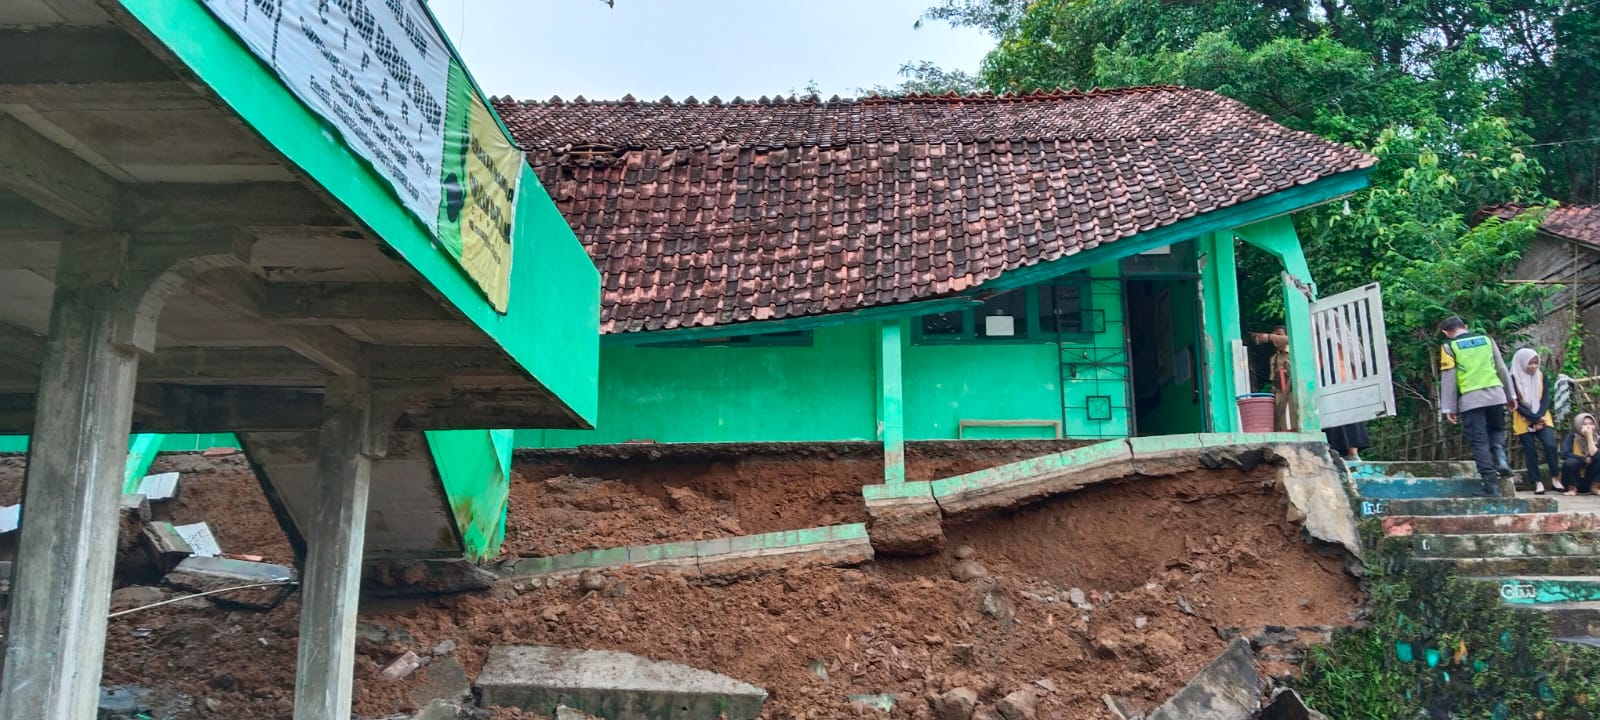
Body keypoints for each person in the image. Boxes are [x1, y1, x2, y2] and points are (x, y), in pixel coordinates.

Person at [1437, 316, 1516, 496]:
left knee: (1479, 441)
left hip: (1472, 400)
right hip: (1496, 395)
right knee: (1496, 430)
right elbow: (1501, 368)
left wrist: (1448, 408)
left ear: (1446, 333)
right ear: (1465, 327)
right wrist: (1510, 395)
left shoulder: (1449, 346)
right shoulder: (1487, 340)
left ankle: (1491, 487)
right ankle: (1500, 458)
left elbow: (1449, 377)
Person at [1510, 348, 1562, 494]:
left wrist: (1539, 417)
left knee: (1550, 445)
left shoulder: (1541, 376)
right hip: (1523, 417)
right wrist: (1533, 418)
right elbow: (1515, 403)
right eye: (1530, 363)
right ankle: (1538, 482)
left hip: (1542, 415)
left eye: (1536, 363)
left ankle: (1556, 478)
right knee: (1530, 450)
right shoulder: (1513, 378)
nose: (1533, 366)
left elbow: (1545, 398)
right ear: (1521, 363)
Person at [1251, 325, 1296, 432]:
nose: (1276, 338)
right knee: (1280, 425)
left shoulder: (1294, 351)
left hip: (1292, 394)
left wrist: (1269, 337)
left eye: (1279, 335)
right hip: (1279, 395)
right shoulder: (1273, 358)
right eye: (1274, 335)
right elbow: (1273, 381)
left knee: (1293, 424)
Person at [1560, 413, 1600, 496]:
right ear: (1578, 425)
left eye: (1591, 424)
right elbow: (1564, 454)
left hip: (1590, 480)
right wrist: (1583, 460)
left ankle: (1595, 488)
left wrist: (1589, 437)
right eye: (1585, 424)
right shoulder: (1572, 437)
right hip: (1574, 479)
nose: (1589, 427)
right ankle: (1572, 489)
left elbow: (1596, 456)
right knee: (1570, 462)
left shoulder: (1598, 439)